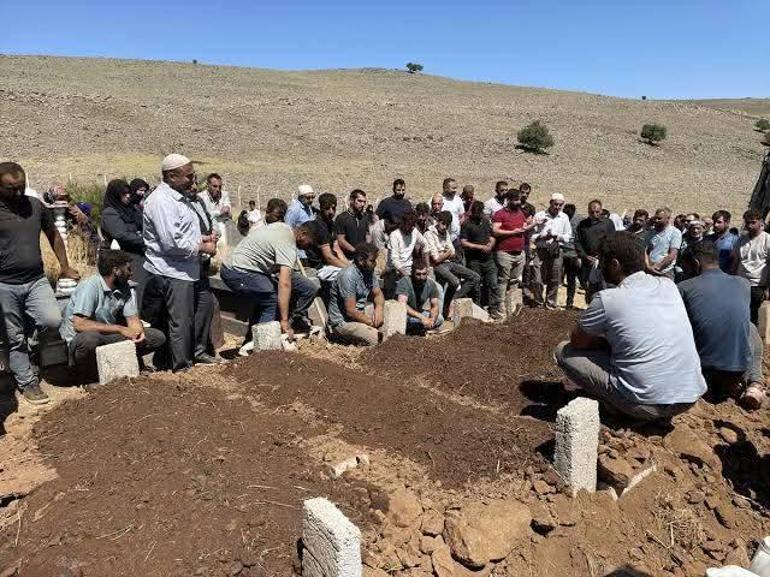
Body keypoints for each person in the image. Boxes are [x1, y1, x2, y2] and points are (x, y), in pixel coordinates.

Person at [555, 232, 706, 422]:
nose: (600, 267)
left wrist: (607, 343)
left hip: (647, 406)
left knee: (564, 351)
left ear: (615, 264)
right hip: (689, 397)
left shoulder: (608, 299)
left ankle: (615, 407)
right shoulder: (669, 285)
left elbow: (578, 341)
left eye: (602, 261)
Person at [0, 162, 79, 404]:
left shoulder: (35, 206)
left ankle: (28, 350)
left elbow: (53, 234)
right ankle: (28, 382)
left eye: (21, 187)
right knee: (12, 336)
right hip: (5, 284)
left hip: (36, 280)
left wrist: (64, 267)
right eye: (10, 188)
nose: (17, 193)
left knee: (52, 320)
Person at [141, 154, 217, 371]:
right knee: (181, 321)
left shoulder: (179, 197)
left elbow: (184, 232)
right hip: (173, 271)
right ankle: (182, 367)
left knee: (204, 306)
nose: (193, 181)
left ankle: (198, 352)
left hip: (190, 267)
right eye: (188, 176)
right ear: (171, 176)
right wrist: (203, 247)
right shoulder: (161, 201)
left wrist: (203, 238)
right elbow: (171, 243)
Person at [678, 241, 765, 410]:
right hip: (738, 367)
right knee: (751, 328)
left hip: (703, 368)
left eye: (686, 267)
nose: (685, 272)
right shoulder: (743, 284)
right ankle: (754, 383)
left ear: (695, 263)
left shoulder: (684, 287)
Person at [59, 250, 166, 379]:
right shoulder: (90, 287)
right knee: (90, 339)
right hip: (79, 341)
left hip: (106, 335)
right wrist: (120, 329)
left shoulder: (124, 287)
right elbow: (80, 325)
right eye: (128, 269)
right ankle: (87, 376)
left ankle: (122, 368)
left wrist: (138, 332)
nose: (131, 273)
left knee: (156, 337)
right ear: (116, 270)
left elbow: (132, 319)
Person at [220, 214, 320, 345]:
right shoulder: (288, 245)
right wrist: (283, 321)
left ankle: (293, 321)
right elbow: (284, 284)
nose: (309, 248)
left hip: (254, 269)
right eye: (310, 243)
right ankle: (263, 347)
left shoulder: (284, 228)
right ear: (303, 234)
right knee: (270, 298)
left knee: (308, 288)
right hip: (237, 271)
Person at [101, 179, 148, 310]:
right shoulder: (110, 212)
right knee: (137, 290)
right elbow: (120, 234)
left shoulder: (132, 209)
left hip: (141, 252)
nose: (128, 196)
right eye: (123, 194)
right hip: (127, 256)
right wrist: (146, 240)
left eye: (128, 193)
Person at [327, 243, 384, 346]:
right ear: (361, 260)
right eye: (372, 261)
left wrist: (379, 309)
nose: (375, 264)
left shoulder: (369, 272)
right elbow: (351, 311)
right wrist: (371, 322)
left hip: (359, 317)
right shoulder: (348, 276)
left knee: (390, 323)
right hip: (343, 323)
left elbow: (378, 294)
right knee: (376, 338)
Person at [426, 211, 480, 318]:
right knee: (454, 282)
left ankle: (451, 300)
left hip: (448, 263)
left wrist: (446, 253)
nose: (445, 227)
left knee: (475, 277)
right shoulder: (429, 234)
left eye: (447, 225)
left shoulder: (445, 233)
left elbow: (453, 252)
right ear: (438, 222)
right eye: (443, 224)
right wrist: (447, 253)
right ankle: (446, 305)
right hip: (437, 266)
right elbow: (436, 259)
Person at [492, 189, 535, 319]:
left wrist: (532, 224)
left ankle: (513, 307)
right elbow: (495, 231)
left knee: (515, 281)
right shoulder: (500, 214)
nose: (518, 202)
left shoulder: (520, 213)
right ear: (509, 200)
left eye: (518, 200)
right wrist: (512, 232)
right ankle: (501, 307)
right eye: (515, 200)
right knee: (503, 280)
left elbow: (522, 227)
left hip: (519, 253)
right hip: (505, 253)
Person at [531, 193, 572, 309]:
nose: (557, 207)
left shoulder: (564, 217)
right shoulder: (540, 215)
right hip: (540, 250)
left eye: (560, 205)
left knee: (554, 278)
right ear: (550, 203)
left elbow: (568, 236)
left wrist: (557, 236)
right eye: (555, 204)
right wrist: (541, 236)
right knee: (537, 278)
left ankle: (550, 303)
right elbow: (531, 235)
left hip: (555, 250)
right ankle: (538, 302)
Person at [733, 209, 770, 325]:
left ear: (760, 222)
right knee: (740, 315)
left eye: (753, 222)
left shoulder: (767, 240)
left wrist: (768, 288)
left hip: (758, 285)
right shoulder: (741, 239)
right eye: (747, 222)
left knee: (753, 318)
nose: (749, 226)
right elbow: (736, 260)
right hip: (740, 282)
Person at [461, 201, 499, 313]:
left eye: (479, 213)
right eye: (476, 213)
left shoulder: (486, 221)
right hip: (474, 260)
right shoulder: (466, 224)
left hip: (488, 259)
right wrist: (480, 247)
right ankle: (477, 308)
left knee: (493, 283)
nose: (478, 215)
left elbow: (492, 236)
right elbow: (464, 242)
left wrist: (491, 244)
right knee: (476, 286)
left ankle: (493, 308)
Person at [575, 199, 616, 301]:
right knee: (588, 286)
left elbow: (612, 241)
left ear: (601, 210)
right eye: (592, 212)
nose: (594, 214)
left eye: (597, 212)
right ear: (588, 211)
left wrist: (604, 256)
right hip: (588, 261)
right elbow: (578, 242)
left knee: (604, 287)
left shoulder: (608, 223)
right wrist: (584, 256)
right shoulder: (582, 225)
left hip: (603, 261)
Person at [303, 193, 348, 283]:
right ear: (321, 208)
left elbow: (336, 248)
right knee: (347, 275)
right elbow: (328, 257)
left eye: (333, 208)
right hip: (320, 267)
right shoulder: (318, 226)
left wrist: (348, 265)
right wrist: (349, 269)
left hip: (331, 264)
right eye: (327, 208)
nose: (331, 212)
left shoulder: (332, 224)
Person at [384, 211, 427, 298]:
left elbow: (425, 244)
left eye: (412, 225)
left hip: (409, 267)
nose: (411, 228)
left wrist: (426, 265)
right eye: (409, 225)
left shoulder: (414, 231)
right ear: (403, 223)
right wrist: (405, 274)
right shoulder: (394, 235)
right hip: (395, 269)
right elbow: (394, 259)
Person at [396, 260, 443, 335]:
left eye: (424, 274)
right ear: (412, 273)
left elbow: (435, 305)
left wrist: (432, 320)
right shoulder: (404, 282)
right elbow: (402, 304)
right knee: (414, 322)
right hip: (404, 314)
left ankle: (422, 328)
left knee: (440, 319)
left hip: (418, 313)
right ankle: (418, 329)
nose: (421, 277)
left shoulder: (431, 284)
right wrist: (422, 318)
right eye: (418, 274)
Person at [645, 207, 682, 280]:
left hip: (664, 272)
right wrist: (648, 266)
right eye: (655, 218)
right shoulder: (651, 233)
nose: (656, 220)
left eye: (659, 218)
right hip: (649, 270)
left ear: (667, 219)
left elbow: (672, 254)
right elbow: (645, 250)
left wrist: (657, 267)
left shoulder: (674, 232)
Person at [335, 189, 370, 259]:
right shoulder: (342, 218)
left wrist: (367, 248)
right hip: (347, 258)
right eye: (359, 201)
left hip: (362, 257)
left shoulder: (365, 217)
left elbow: (367, 235)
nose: (362, 204)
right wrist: (355, 251)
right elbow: (340, 240)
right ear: (351, 200)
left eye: (364, 202)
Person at [198, 173, 232, 237]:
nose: (218, 189)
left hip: (224, 229)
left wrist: (213, 213)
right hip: (209, 231)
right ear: (208, 185)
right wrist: (220, 212)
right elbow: (205, 216)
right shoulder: (201, 197)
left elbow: (228, 214)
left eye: (220, 187)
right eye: (215, 186)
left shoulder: (224, 195)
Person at [441, 178, 464, 243]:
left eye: (456, 188)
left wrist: (460, 222)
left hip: (455, 237)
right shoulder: (438, 199)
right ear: (445, 188)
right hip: (441, 237)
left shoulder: (458, 199)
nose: (455, 190)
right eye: (453, 188)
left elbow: (462, 215)